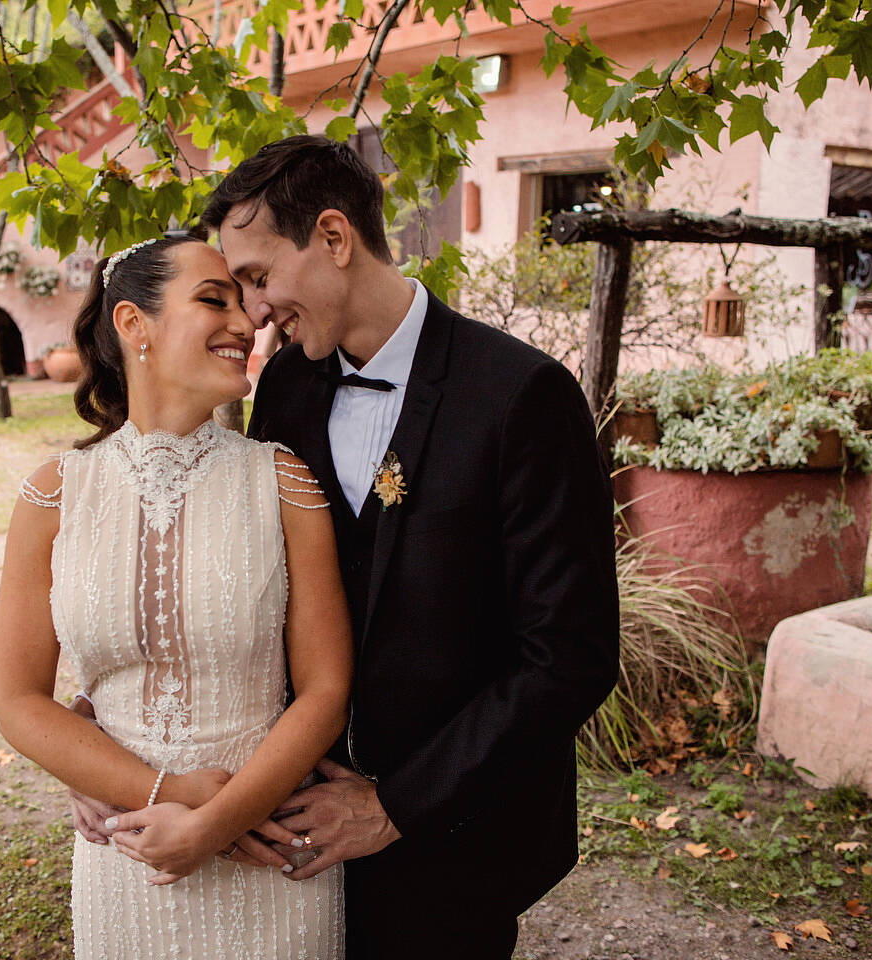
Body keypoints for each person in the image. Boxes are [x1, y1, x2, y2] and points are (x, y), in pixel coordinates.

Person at [206, 134, 622, 958]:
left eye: (258, 278)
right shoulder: (286, 389)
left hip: (458, 839)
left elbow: (568, 656)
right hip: (304, 841)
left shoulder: (523, 395)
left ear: (333, 238)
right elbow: (260, 581)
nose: (254, 313)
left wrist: (396, 803)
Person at [0, 232, 353, 959]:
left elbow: (325, 689)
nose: (246, 324)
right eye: (213, 300)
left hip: (272, 853)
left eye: (244, 304)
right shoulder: (52, 496)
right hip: (129, 857)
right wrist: (162, 793)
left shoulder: (282, 483)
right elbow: (17, 700)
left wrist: (221, 821)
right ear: (134, 325)